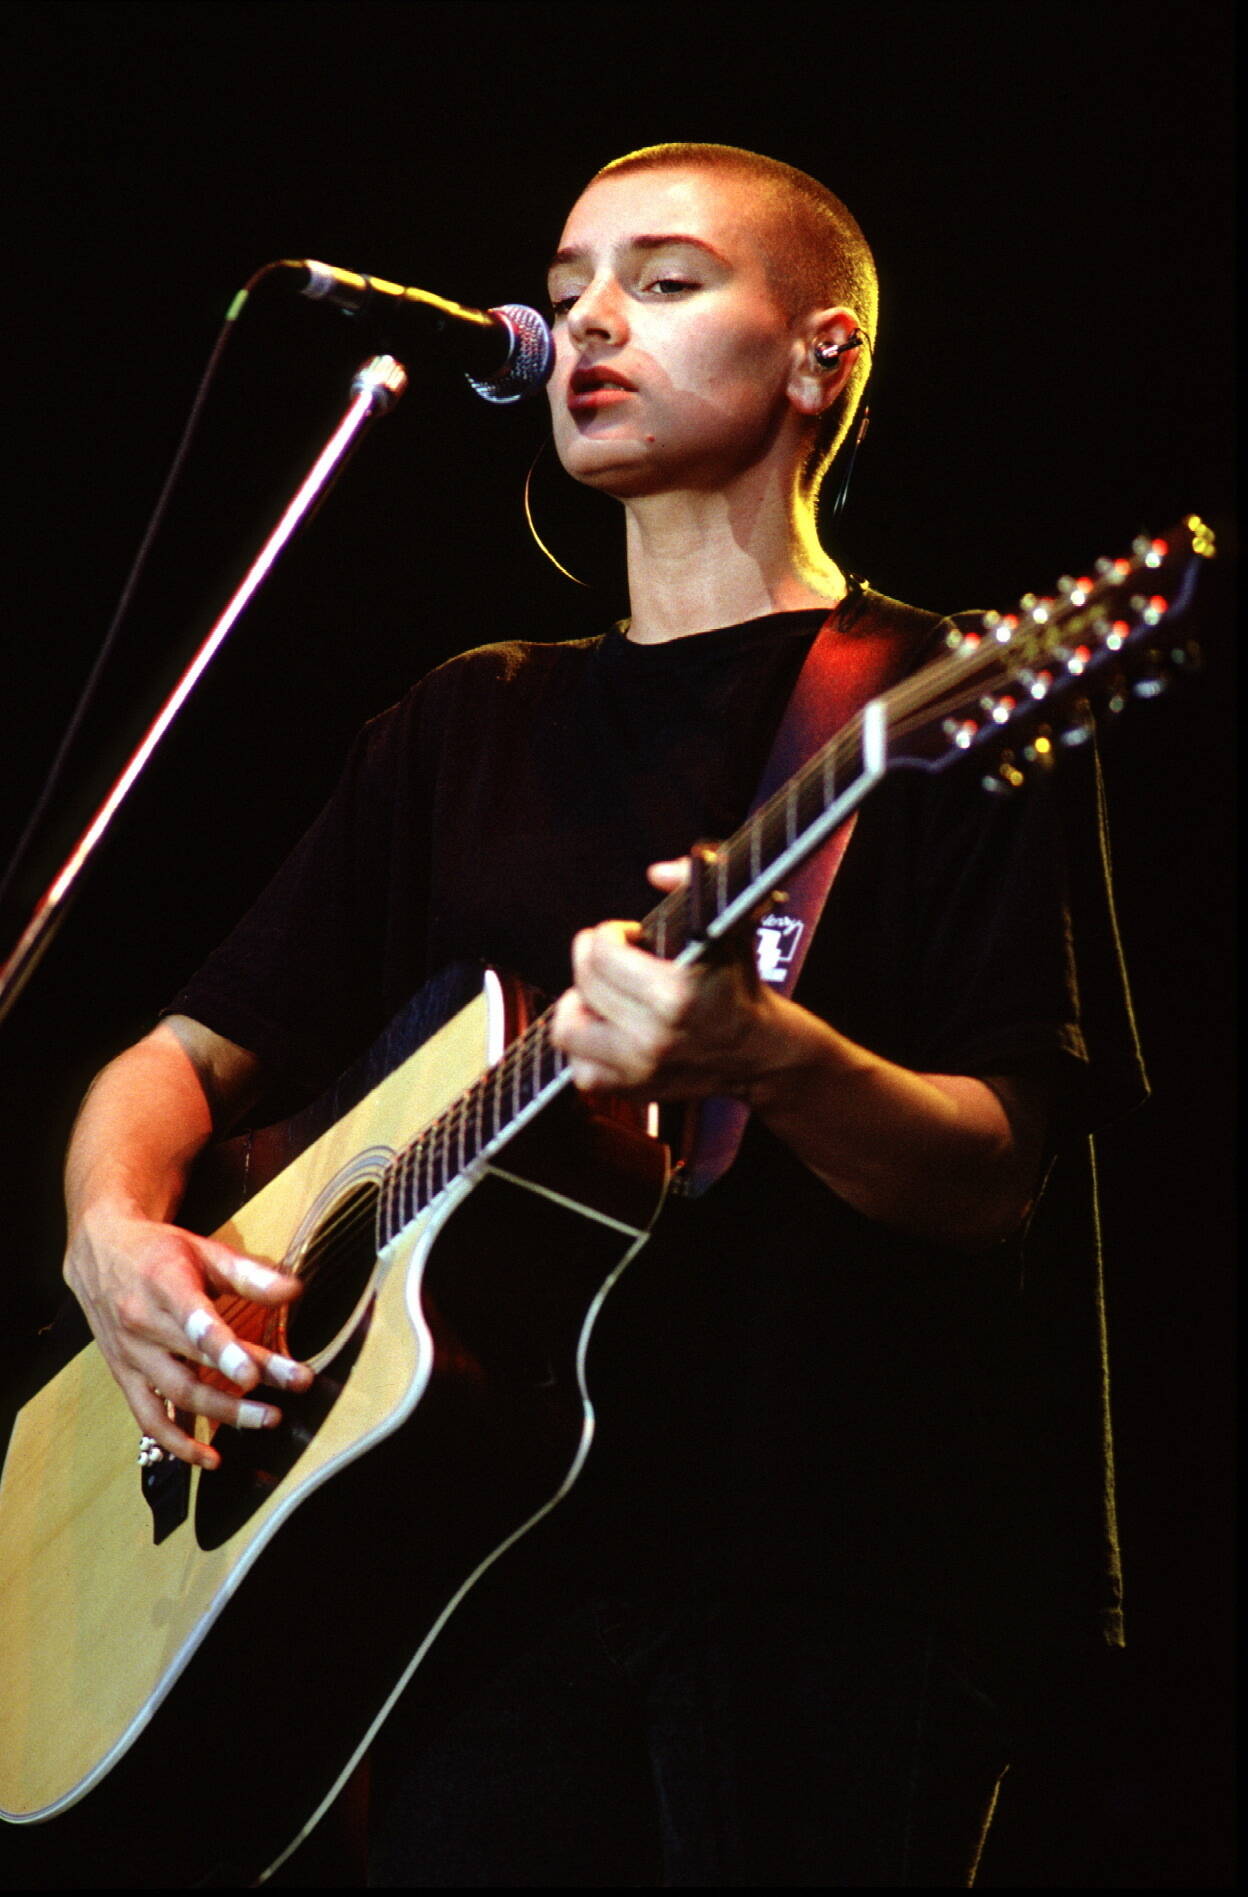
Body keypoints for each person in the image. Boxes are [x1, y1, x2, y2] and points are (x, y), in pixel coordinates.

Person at [60, 144, 1144, 1886]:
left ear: (822, 356)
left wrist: (764, 1057)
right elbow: (173, 1062)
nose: (585, 329)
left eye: (663, 280)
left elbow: (999, 1173)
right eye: (564, 292)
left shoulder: (930, 710)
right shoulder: (464, 721)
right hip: (466, 1587)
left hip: (820, 1584)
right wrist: (113, 1236)